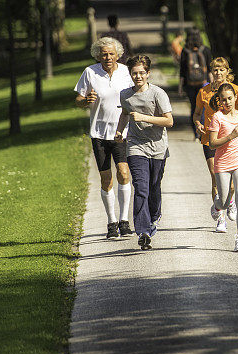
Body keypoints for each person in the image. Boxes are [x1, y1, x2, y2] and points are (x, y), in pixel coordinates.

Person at [74, 36, 134, 239]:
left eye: (111, 54)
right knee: (106, 178)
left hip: (121, 131)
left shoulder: (126, 72)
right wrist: (85, 101)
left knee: (124, 173)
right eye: (104, 54)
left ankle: (124, 221)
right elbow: (79, 99)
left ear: (118, 55)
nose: (108, 57)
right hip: (99, 133)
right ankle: (111, 222)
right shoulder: (90, 72)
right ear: (98, 56)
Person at [114, 54, 174, 250]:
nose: (138, 76)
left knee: (154, 187)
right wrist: (119, 130)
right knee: (141, 188)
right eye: (134, 73)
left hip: (158, 148)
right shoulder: (125, 94)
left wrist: (144, 118)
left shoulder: (158, 94)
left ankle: (154, 217)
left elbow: (169, 121)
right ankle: (143, 231)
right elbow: (124, 113)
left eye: (141, 73)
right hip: (135, 146)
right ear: (130, 74)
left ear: (148, 73)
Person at [193, 57, 238, 233]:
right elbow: (197, 114)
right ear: (211, 72)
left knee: (233, 185)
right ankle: (220, 218)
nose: (218, 73)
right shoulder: (204, 92)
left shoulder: (237, 91)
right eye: (215, 70)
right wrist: (198, 124)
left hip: (233, 142)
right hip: (210, 141)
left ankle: (230, 201)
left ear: (228, 71)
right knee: (215, 178)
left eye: (221, 70)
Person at [207, 83, 238, 252]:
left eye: (230, 98)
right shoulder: (217, 117)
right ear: (219, 101)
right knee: (224, 199)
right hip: (222, 163)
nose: (227, 102)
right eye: (224, 99)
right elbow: (212, 144)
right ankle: (217, 205)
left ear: (236, 98)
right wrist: (230, 136)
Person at [179, 28, 213, 140]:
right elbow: (209, 69)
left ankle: (196, 132)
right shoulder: (205, 50)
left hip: (190, 84)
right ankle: (203, 130)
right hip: (204, 84)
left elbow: (182, 71)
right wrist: (212, 84)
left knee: (194, 107)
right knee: (204, 107)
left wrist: (180, 87)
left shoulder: (185, 51)